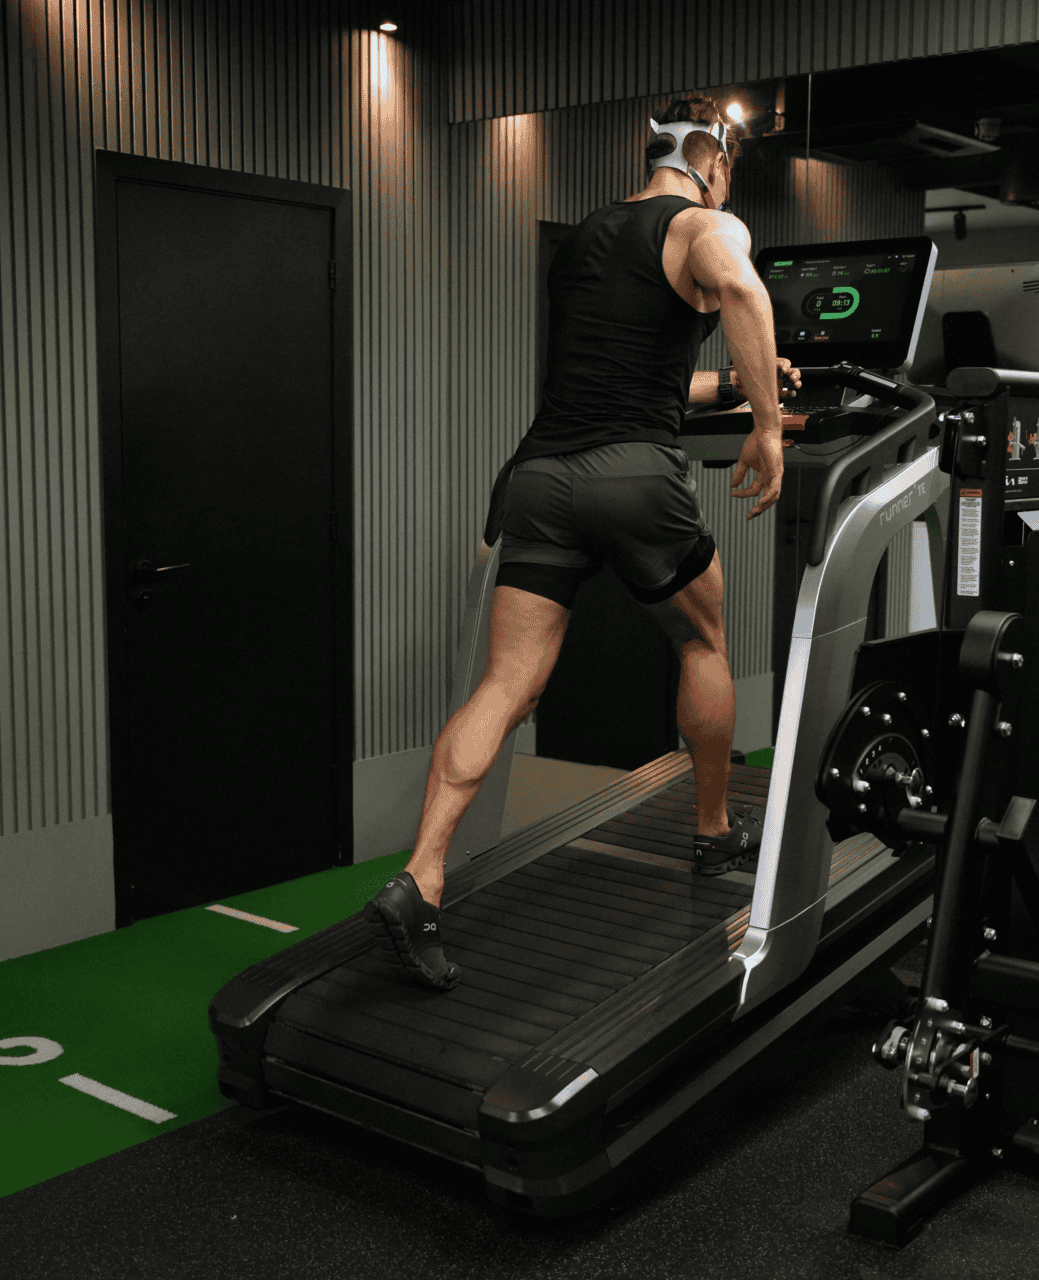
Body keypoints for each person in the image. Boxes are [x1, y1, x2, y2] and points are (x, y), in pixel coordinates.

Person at [367, 96, 798, 989]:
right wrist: (767, 427)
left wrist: (737, 390)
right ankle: (713, 832)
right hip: (631, 477)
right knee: (704, 636)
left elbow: (635, 371)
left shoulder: (589, 236)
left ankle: (422, 875)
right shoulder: (705, 224)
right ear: (714, 161)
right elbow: (746, 292)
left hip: (540, 477)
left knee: (507, 684)